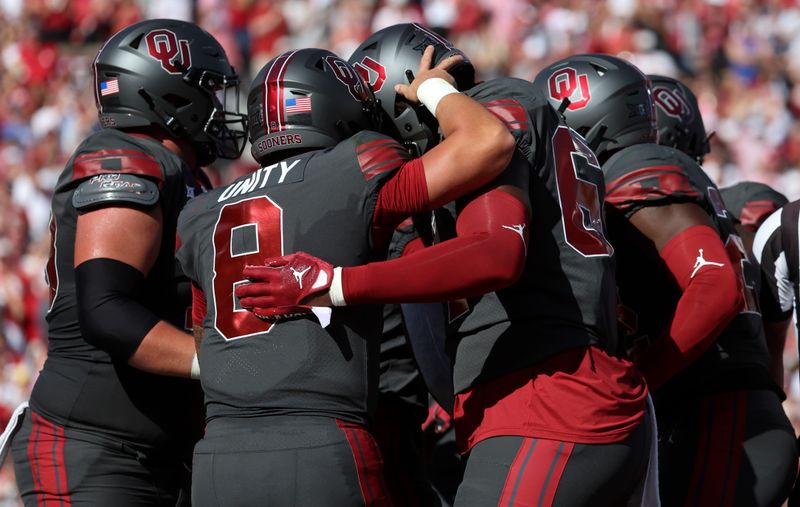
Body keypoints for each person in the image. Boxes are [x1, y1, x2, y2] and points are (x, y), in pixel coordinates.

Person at [238, 24, 652, 506]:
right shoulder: (530, 129)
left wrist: (336, 284)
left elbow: (496, 252)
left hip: (545, 397)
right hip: (564, 391)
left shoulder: (498, 105)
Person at [175, 46, 514, 505]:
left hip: (217, 458)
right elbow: (487, 144)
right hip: (320, 443)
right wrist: (433, 89)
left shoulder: (199, 212)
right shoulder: (357, 162)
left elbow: (203, 340)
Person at [533, 55, 797, 506]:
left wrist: (636, 382)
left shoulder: (631, 168)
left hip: (717, 418)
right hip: (715, 415)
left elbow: (714, 284)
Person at [8, 18, 247, 506]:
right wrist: (223, 365)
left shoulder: (184, 174)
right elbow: (107, 310)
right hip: (93, 446)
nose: (220, 108)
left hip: (156, 453)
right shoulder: (125, 154)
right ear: (170, 95)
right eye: (210, 92)